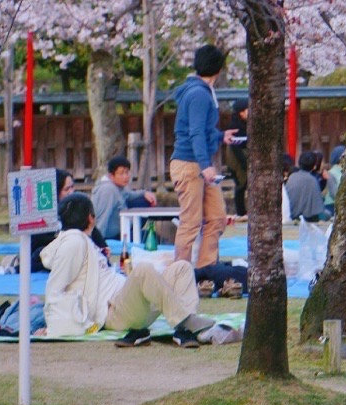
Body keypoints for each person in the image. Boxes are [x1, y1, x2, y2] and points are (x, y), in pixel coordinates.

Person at [41, 193, 235, 346]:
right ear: (91, 218)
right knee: (143, 270)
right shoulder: (73, 241)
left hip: (129, 304)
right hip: (114, 313)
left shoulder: (83, 241)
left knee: (182, 268)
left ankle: (186, 325)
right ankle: (185, 320)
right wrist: (53, 327)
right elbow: (54, 289)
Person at [170, 43, 227, 271]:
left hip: (198, 165)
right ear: (219, 70)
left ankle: (206, 270)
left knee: (217, 217)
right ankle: (180, 275)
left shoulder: (199, 91)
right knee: (191, 222)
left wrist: (223, 136)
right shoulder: (199, 94)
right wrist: (205, 165)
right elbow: (194, 132)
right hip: (190, 164)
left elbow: (202, 130)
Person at [90, 155, 144, 243]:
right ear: (111, 176)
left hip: (122, 227)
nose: (126, 176)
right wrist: (99, 243)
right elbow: (102, 218)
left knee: (143, 202)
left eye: (127, 172)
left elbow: (130, 194)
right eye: (121, 173)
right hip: (110, 235)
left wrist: (144, 193)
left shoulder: (119, 186)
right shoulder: (108, 190)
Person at [284, 149, 326, 221]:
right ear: (314, 166)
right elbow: (318, 208)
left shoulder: (292, 177)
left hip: (290, 215)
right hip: (307, 218)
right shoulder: (312, 180)